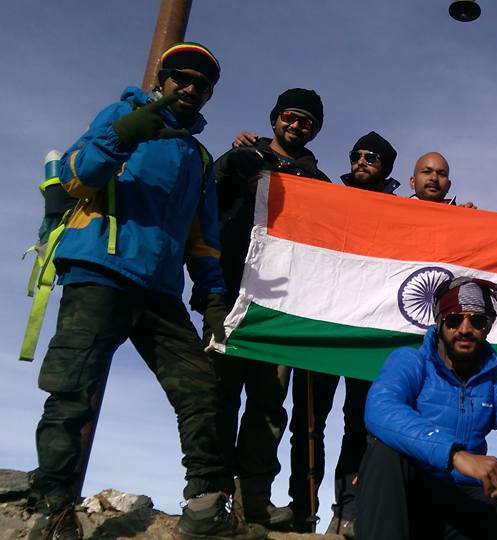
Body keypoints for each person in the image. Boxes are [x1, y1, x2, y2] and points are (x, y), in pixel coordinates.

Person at [27, 42, 265, 540]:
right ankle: (53, 508)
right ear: (163, 78)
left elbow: (203, 240)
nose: (191, 89)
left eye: (203, 85)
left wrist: (215, 299)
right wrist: (119, 136)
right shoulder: (121, 115)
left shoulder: (198, 155)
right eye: (182, 77)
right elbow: (72, 179)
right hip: (98, 273)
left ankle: (203, 508)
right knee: (72, 390)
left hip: (159, 291)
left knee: (201, 389)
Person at [356, 276, 497, 540]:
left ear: (487, 327)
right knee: (385, 453)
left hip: (468, 506)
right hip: (411, 501)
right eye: (454, 319)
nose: (465, 328)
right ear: (440, 322)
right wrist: (455, 455)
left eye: (477, 320)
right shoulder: (410, 361)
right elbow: (380, 408)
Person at [212, 88, 329, 530]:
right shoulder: (242, 157)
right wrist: (230, 159)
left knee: (266, 408)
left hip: (281, 309)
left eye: (307, 122)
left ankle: (252, 504)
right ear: (275, 118)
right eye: (291, 117)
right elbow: (208, 200)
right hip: (229, 298)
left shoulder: (320, 186)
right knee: (217, 399)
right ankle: (211, 498)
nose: (297, 126)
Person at [284, 130, 400, 536]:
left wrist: (467, 215)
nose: (363, 162)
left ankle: (348, 510)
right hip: (321, 326)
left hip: (370, 335)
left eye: (373, 157)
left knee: (361, 425)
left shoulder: (401, 211)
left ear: (386, 167)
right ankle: (303, 508)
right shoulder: (326, 196)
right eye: (357, 155)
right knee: (308, 422)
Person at [408, 151, 475, 207]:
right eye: (427, 172)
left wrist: (467, 218)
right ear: (413, 182)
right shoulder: (398, 212)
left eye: (441, 174)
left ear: (448, 186)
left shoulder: (460, 217)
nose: (434, 178)